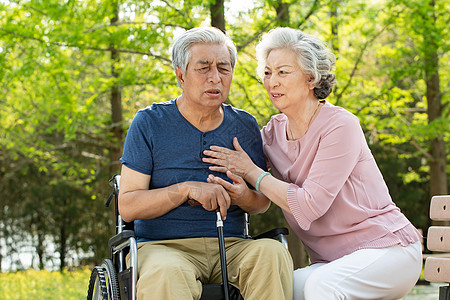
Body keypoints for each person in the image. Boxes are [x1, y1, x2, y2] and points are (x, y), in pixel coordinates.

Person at [203, 27, 423, 300]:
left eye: (283, 72)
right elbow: (253, 185)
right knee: (275, 286)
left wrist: (253, 172)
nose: (272, 82)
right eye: (268, 73)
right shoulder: (271, 135)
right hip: (330, 263)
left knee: (322, 286)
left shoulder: (340, 126)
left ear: (310, 78)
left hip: (388, 251)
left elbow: (309, 206)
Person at [118, 27, 293, 300]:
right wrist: (186, 189)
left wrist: (243, 195)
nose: (215, 77)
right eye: (204, 68)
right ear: (180, 75)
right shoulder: (149, 123)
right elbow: (128, 206)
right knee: (166, 271)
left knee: (271, 253)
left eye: (224, 68)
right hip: (164, 247)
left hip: (232, 245)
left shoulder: (244, 125)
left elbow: (262, 203)